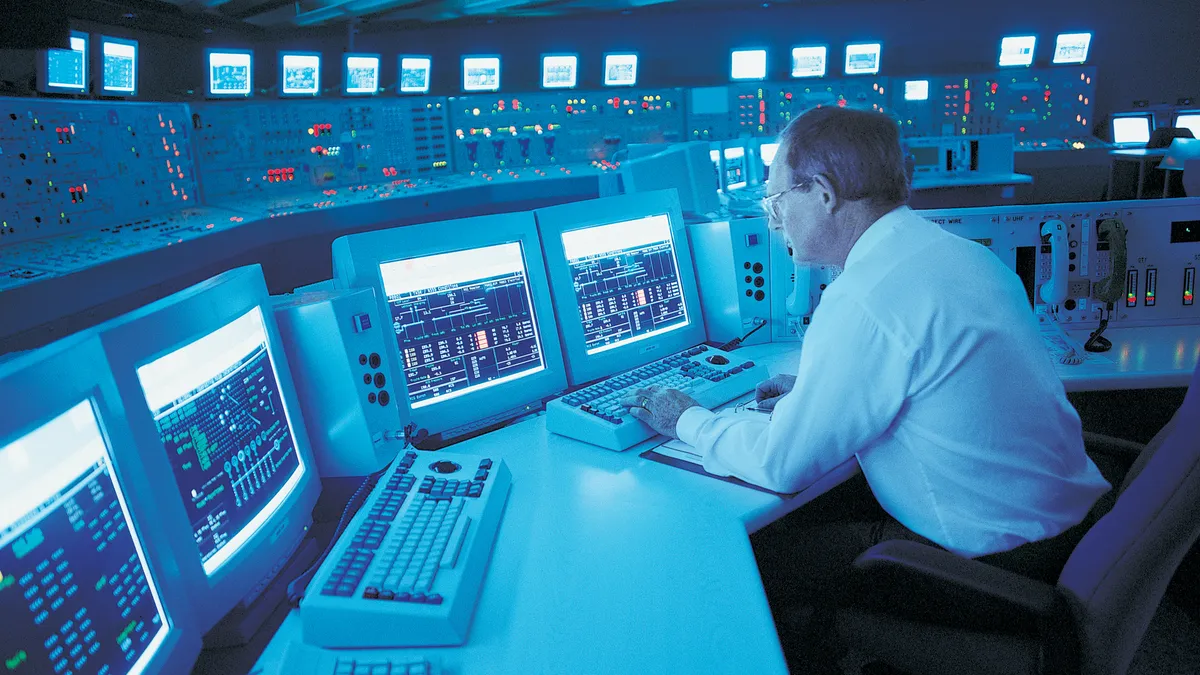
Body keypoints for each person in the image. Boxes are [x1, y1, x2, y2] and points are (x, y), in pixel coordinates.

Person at [619, 106, 1111, 671]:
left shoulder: (865, 295)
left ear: (823, 194)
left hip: (991, 561)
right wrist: (820, 389)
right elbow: (929, 375)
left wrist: (686, 418)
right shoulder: (964, 255)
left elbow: (782, 465)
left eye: (778, 200)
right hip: (1067, 530)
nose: (774, 221)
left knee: (748, 562)